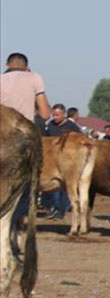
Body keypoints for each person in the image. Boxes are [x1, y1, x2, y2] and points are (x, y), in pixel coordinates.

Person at [2, 52, 51, 227]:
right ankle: (13, 222)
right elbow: (45, 113)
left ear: (7, 65)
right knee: (26, 184)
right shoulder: (34, 78)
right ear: (26, 66)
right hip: (24, 135)